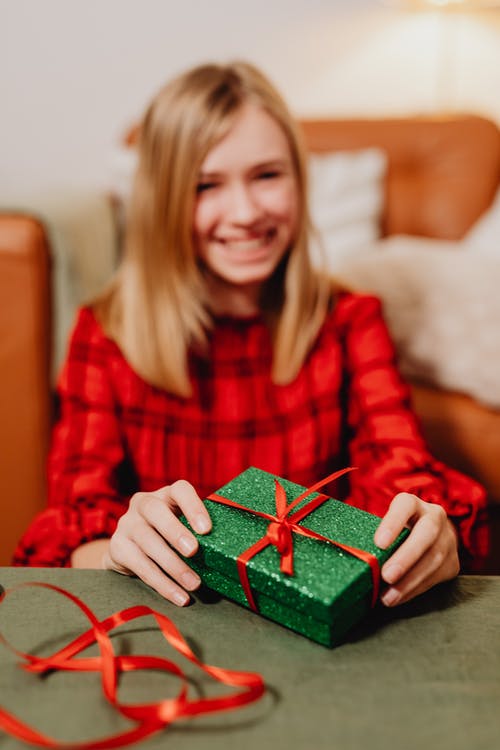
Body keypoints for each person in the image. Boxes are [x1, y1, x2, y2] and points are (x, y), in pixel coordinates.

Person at [13, 61, 488, 610]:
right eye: (206, 185)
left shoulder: (348, 319)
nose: (245, 212)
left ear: (300, 180)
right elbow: (70, 520)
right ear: (163, 201)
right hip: (170, 623)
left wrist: (433, 531)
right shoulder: (106, 333)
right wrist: (114, 551)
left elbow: (397, 458)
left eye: (267, 175)